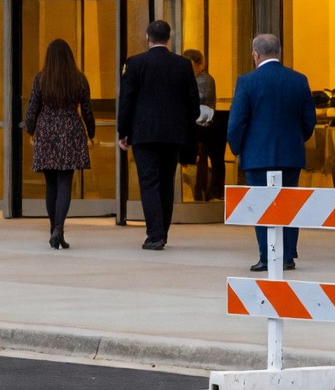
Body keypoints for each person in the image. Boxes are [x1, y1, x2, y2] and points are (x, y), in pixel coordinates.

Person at [226, 31, 316, 272]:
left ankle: (267, 256)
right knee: (288, 203)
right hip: (290, 155)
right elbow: (309, 120)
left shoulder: (247, 82)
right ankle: (287, 255)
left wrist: (238, 149)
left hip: (257, 157)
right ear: (279, 52)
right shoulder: (299, 80)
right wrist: (296, 140)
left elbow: (236, 123)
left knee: (262, 205)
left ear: (255, 54)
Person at [115, 18, 200, 249]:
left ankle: (155, 234)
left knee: (149, 182)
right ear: (168, 38)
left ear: (147, 37)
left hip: (144, 134)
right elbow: (193, 101)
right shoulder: (183, 64)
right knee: (166, 183)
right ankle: (163, 231)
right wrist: (188, 123)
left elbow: (127, 101)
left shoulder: (134, 63)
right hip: (173, 135)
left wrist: (124, 131)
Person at [25, 37, 94, 250]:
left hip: (46, 132)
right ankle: (59, 229)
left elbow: (32, 109)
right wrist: (91, 133)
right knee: (65, 182)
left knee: (51, 184)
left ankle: (53, 229)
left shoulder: (40, 79)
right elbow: (87, 110)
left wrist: (30, 129)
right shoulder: (79, 79)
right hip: (71, 130)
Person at [185, 49, 226, 202]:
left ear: (199, 65)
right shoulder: (192, 79)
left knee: (209, 160)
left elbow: (199, 99)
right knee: (202, 160)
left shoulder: (204, 80)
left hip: (207, 127)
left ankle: (211, 193)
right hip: (199, 126)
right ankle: (202, 193)